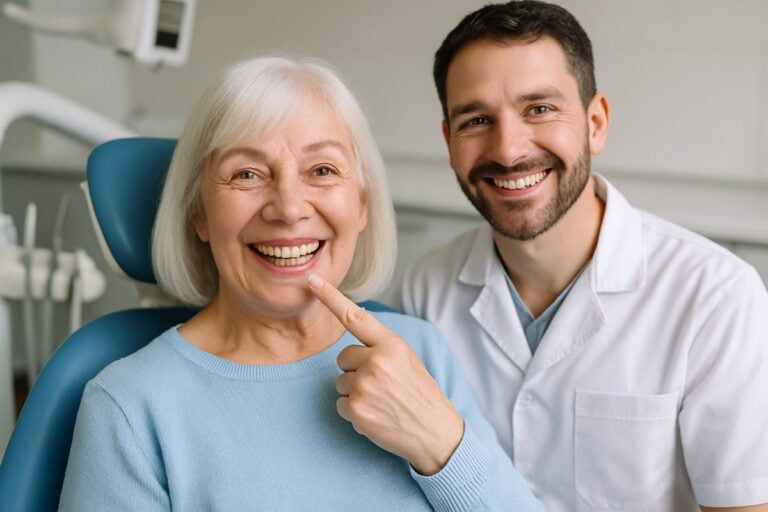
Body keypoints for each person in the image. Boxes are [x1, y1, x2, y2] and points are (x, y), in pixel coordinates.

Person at [58, 55, 542, 511]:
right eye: (246, 174)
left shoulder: (416, 351)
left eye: (322, 170)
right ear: (199, 213)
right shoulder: (130, 407)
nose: (289, 208)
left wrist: (440, 442)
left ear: (362, 207)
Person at [400, 1, 768, 511]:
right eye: (476, 119)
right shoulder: (425, 287)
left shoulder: (716, 295)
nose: (507, 150)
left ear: (596, 122)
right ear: (449, 141)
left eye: (540, 109)